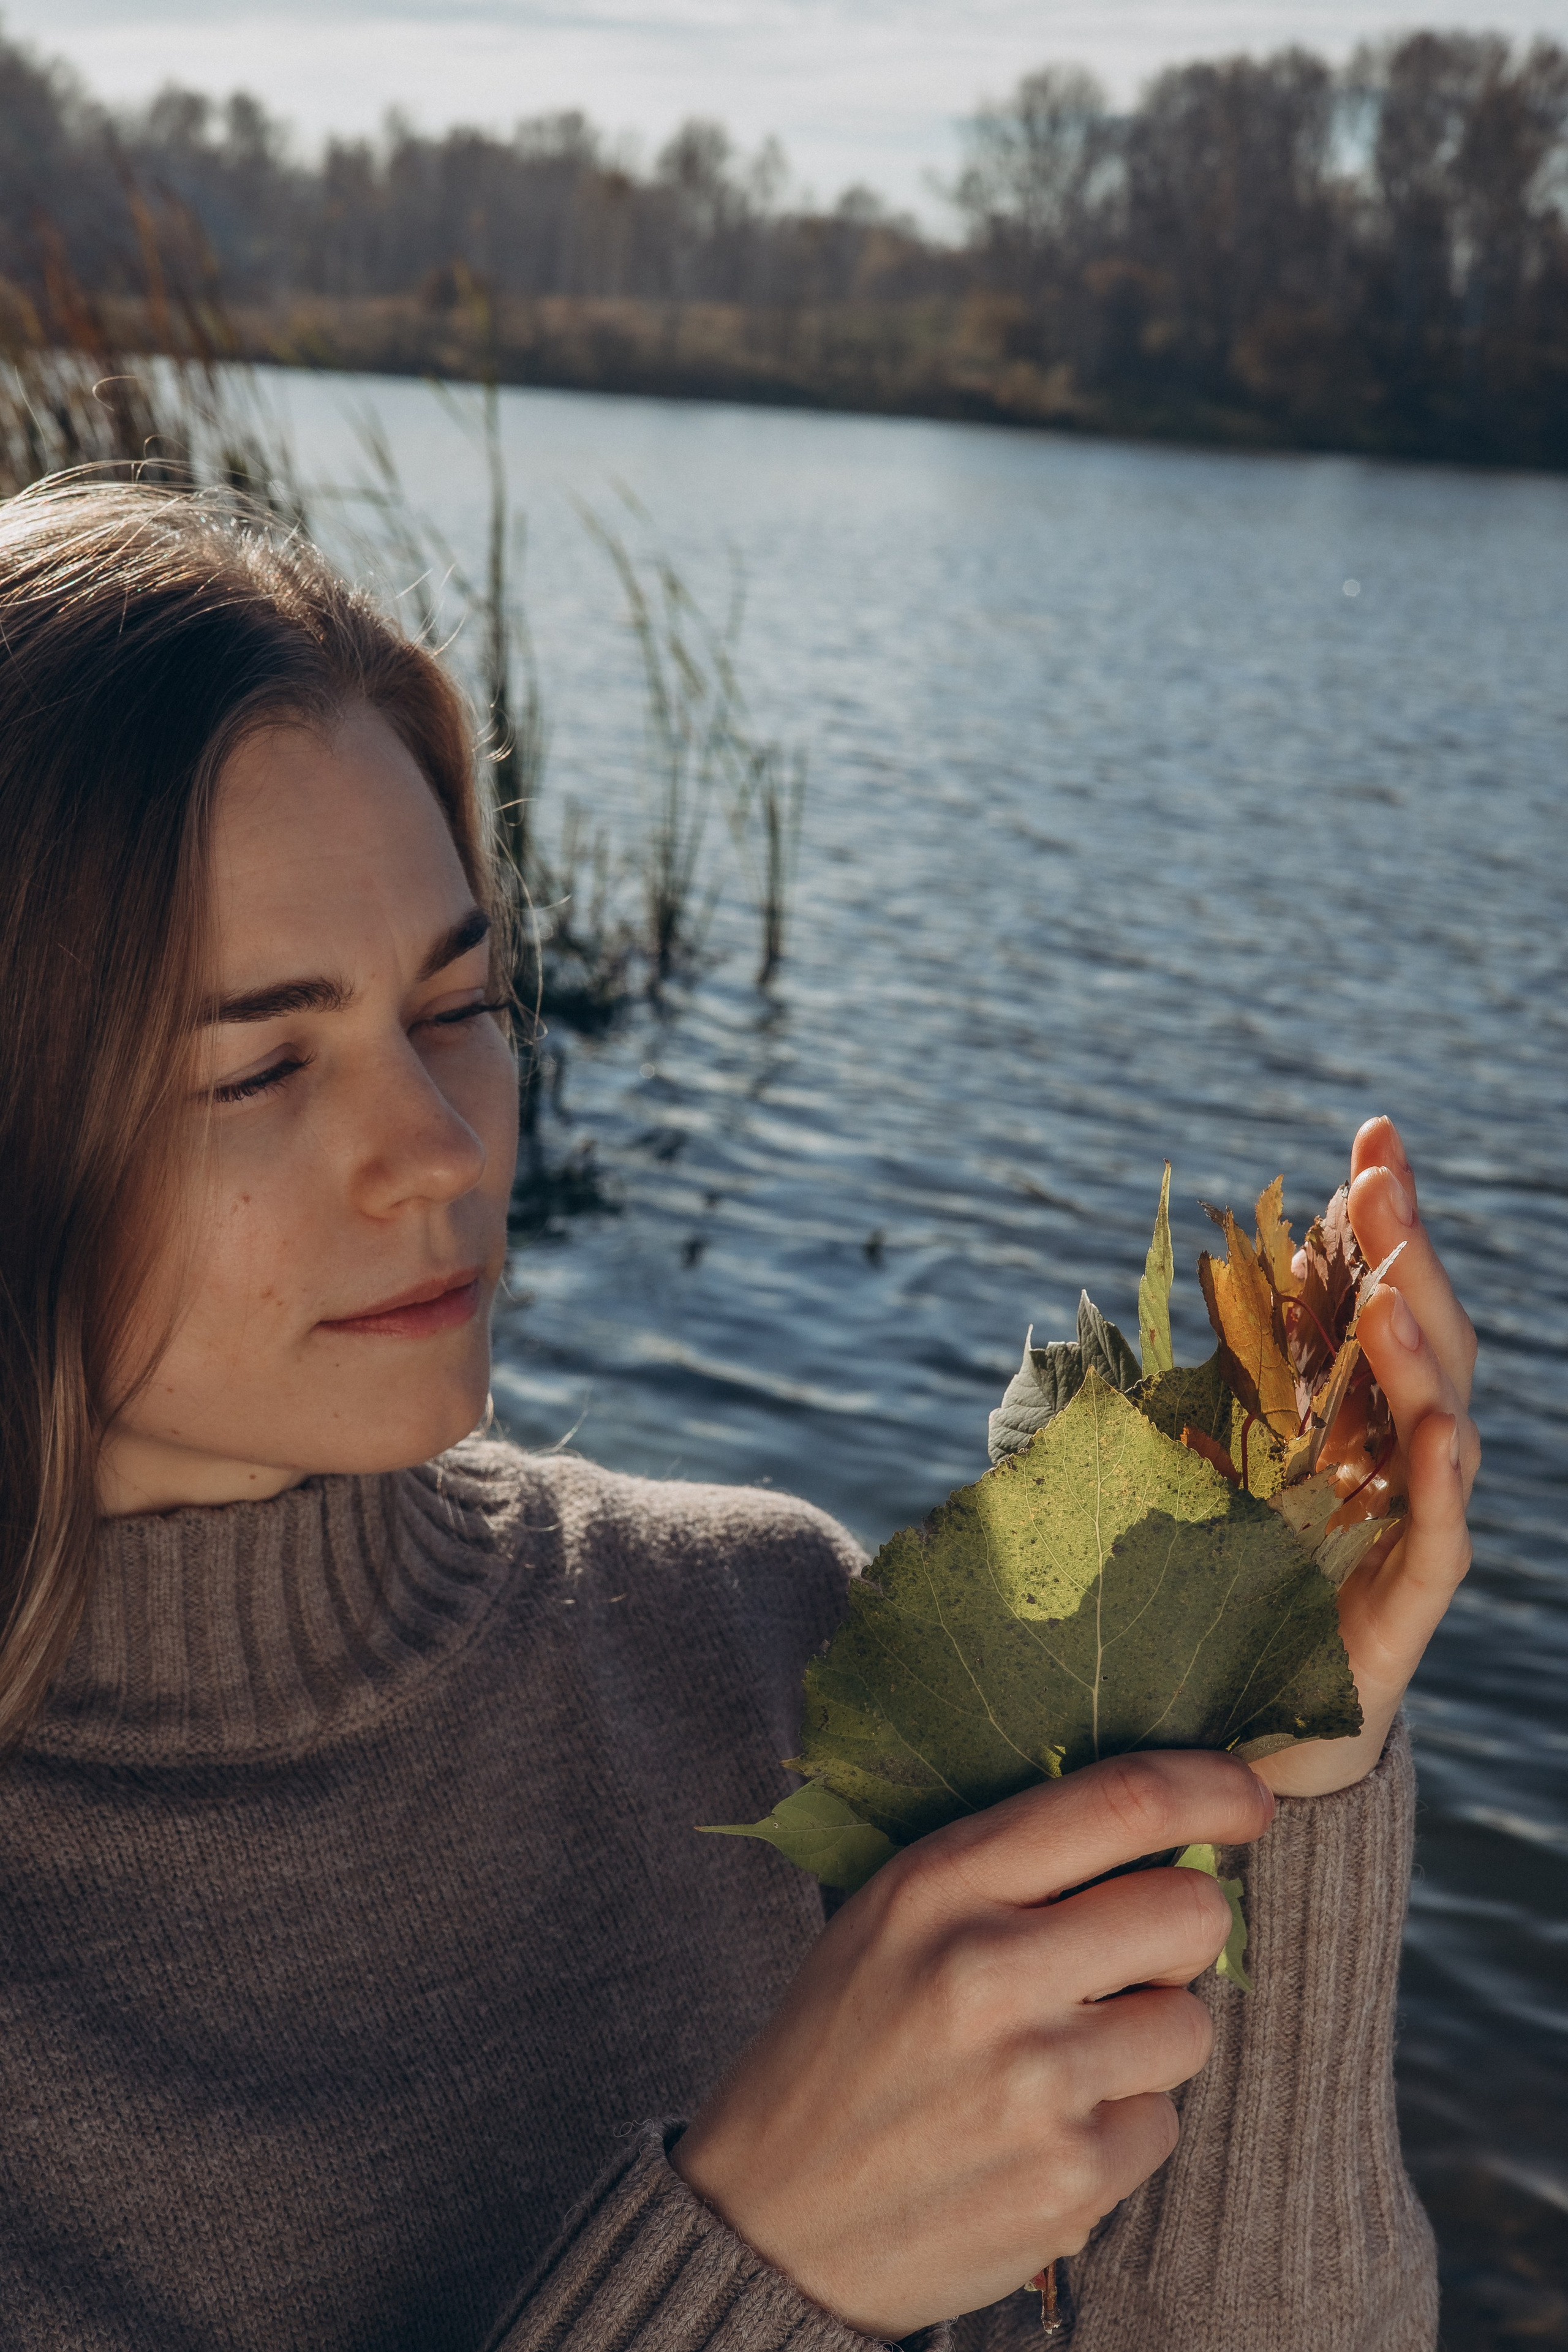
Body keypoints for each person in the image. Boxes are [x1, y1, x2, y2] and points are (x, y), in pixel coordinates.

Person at [0, 478, 1478, 2352]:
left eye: (458, 1006)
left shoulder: (750, 1641)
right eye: (266, 1063)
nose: (446, 1149)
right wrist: (759, 2263)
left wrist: (1285, 1736)